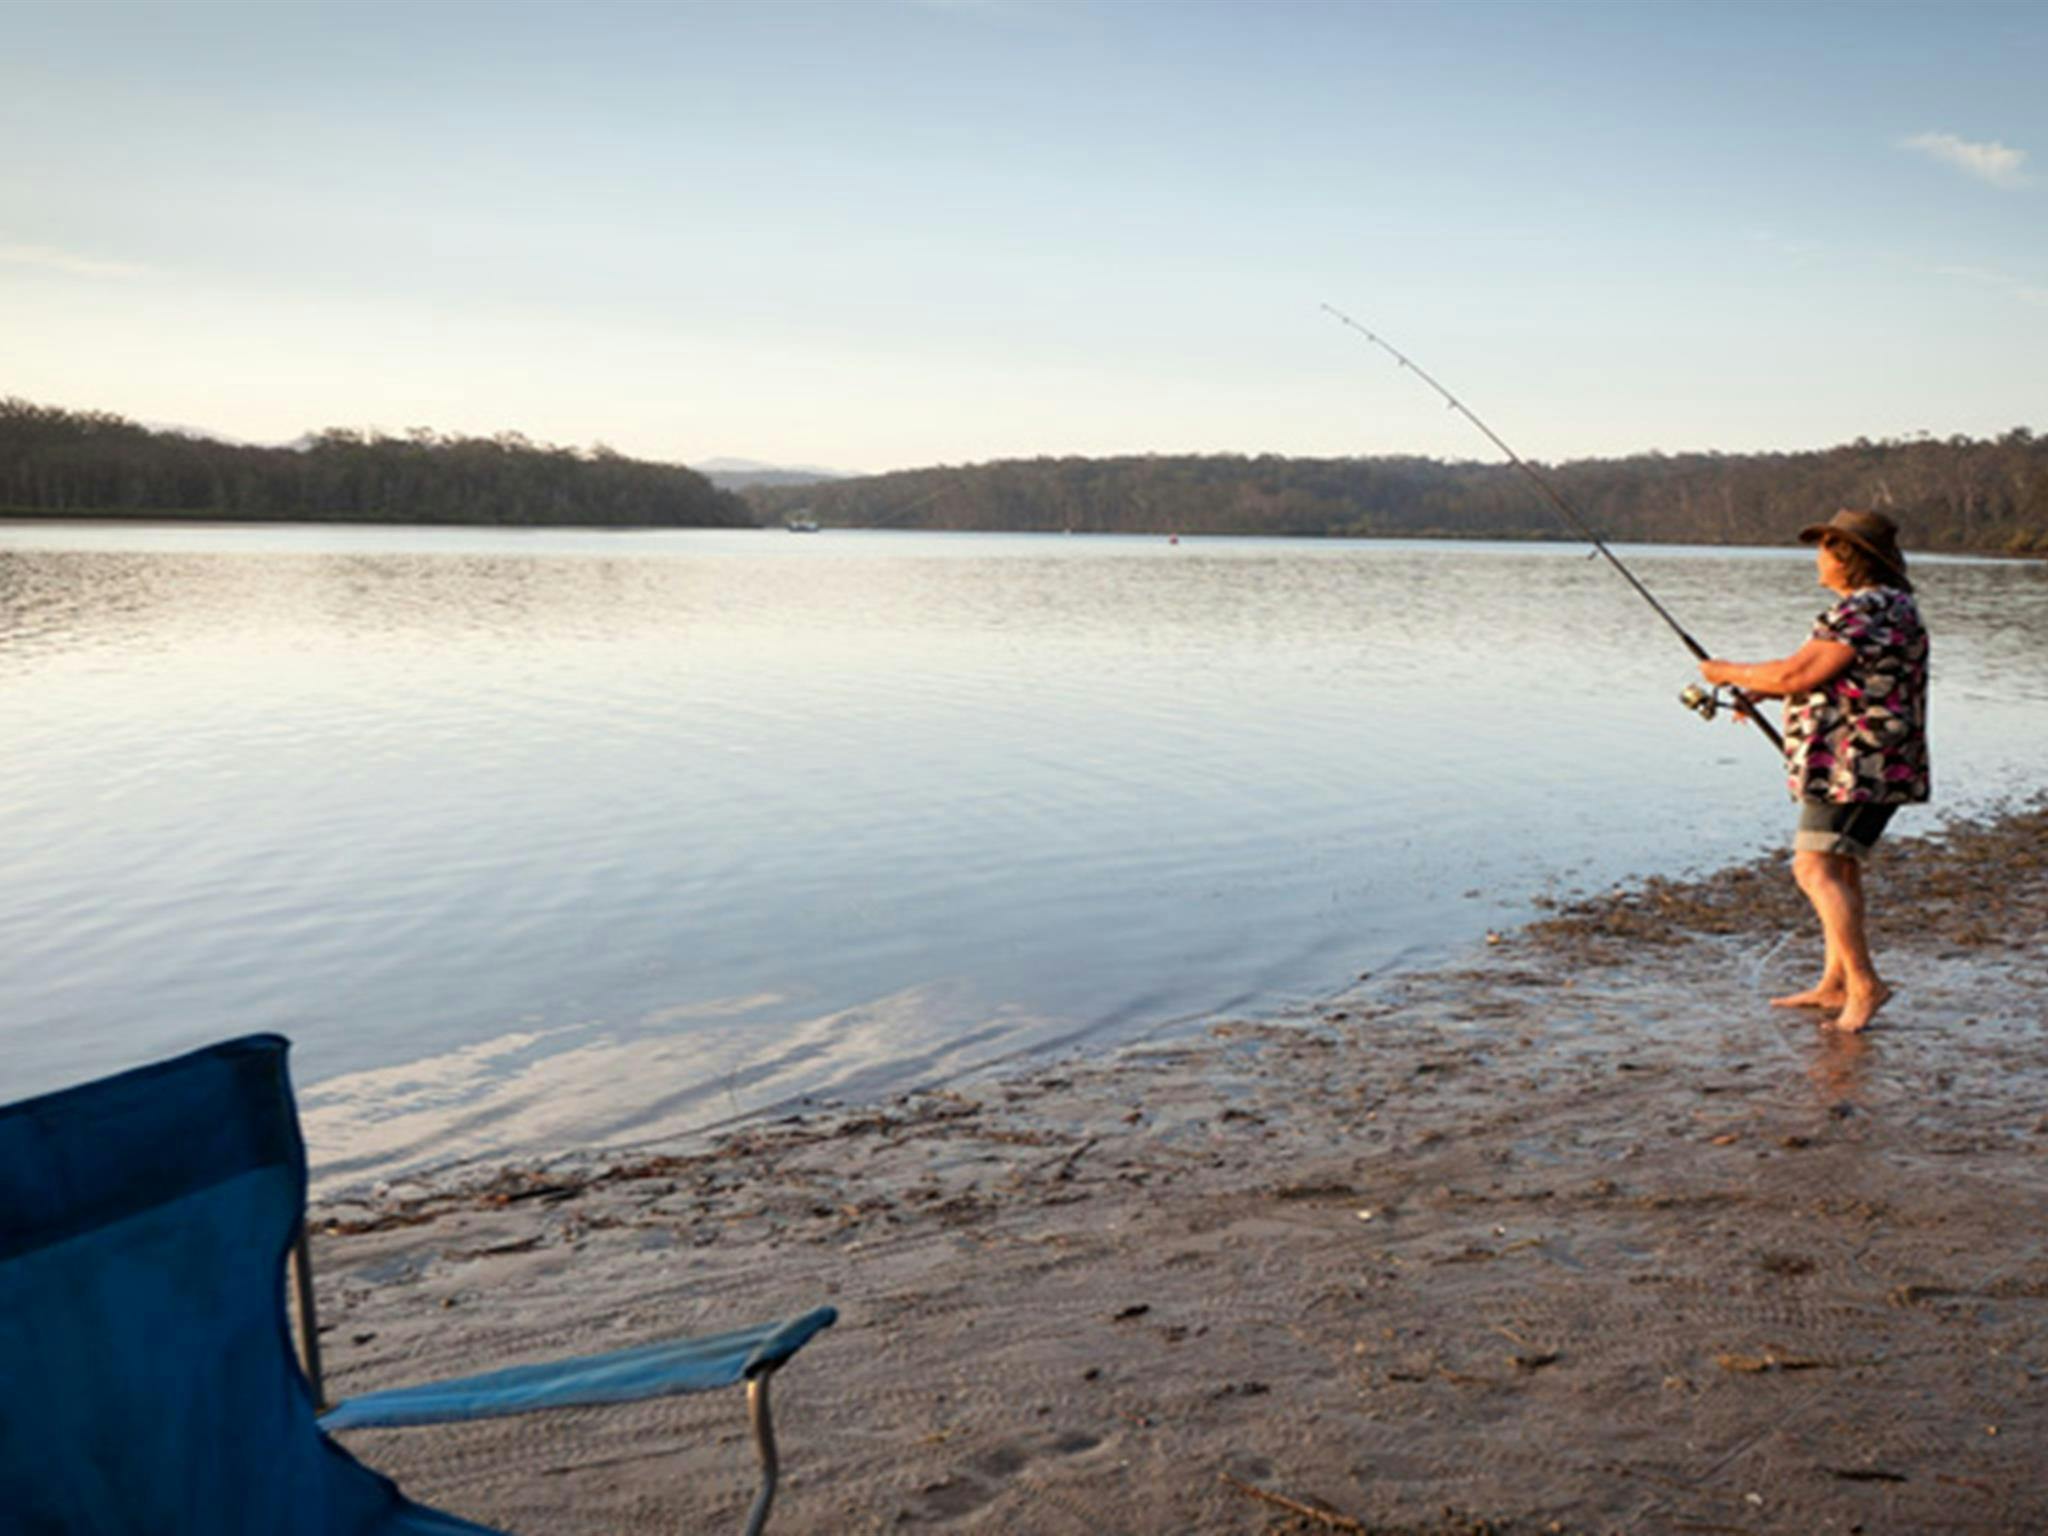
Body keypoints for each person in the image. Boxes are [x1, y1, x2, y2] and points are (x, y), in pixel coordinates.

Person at [1699, 509, 1930, 1033]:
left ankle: (1866, 983)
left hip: (1859, 765)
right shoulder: (1890, 606)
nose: (1818, 559)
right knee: (1840, 865)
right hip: (1870, 763)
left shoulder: (1864, 609)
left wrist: (1725, 672)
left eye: (1825, 549)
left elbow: (1798, 671)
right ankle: (1836, 981)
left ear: (1846, 558)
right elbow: (1826, 675)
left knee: (1814, 869)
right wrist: (1763, 687)